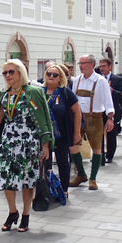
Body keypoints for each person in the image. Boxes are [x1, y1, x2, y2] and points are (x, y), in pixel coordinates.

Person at [0, 60, 54, 232]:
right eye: (5, 73)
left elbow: (44, 118)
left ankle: (25, 215)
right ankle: (12, 212)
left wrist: (46, 145)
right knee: (5, 178)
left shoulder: (33, 92)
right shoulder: (5, 94)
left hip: (29, 142)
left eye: (11, 71)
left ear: (20, 72)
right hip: (8, 142)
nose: (8, 75)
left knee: (27, 180)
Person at [70, 54, 115, 190]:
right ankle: (81, 174)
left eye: (83, 63)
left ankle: (93, 178)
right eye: (80, 63)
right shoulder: (77, 80)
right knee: (73, 146)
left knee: (96, 148)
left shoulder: (100, 81)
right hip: (78, 117)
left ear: (91, 64)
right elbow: (73, 100)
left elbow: (108, 101)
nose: (80, 66)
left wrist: (110, 118)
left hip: (95, 117)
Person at [36, 62, 80, 194]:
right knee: (45, 162)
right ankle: (45, 189)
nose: (51, 76)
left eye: (55, 75)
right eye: (49, 74)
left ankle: (64, 189)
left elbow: (77, 112)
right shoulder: (39, 93)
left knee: (63, 162)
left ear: (60, 78)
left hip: (61, 134)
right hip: (44, 136)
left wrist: (77, 132)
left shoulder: (66, 92)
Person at [98, 57, 122, 164]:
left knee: (111, 133)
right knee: (99, 134)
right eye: (100, 66)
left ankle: (110, 155)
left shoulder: (117, 79)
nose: (102, 68)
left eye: (104, 66)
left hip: (112, 110)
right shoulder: (97, 78)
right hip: (99, 110)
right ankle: (100, 155)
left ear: (110, 66)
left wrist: (112, 91)